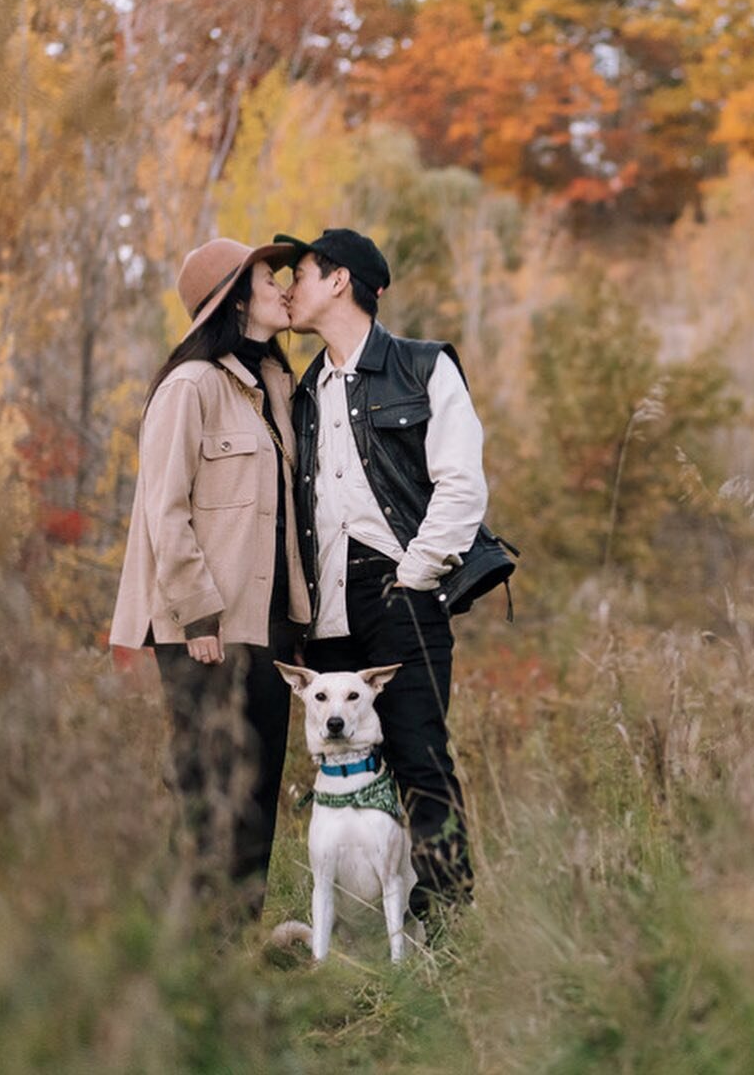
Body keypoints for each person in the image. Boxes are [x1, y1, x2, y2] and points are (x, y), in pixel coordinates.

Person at [274, 227, 488, 920]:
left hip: (400, 589)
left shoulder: (424, 367)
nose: (289, 289)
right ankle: (368, 927)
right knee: (349, 776)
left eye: (300, 274)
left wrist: (415, 575)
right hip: (328, 605)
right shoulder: (302, 394)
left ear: (339, 281)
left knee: (421, 763)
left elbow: (461, 486)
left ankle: (445, 924)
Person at [109, 237, 310, 917]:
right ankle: (191, 963)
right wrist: (198, 617)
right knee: (209, 796)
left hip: (271, 626)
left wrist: (302, 620)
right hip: (206, 630)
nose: (284, 286)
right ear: (233, 297)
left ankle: (237, 957)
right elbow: (164, 512)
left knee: (258, 797)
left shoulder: (277, 387)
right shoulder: (188, 388)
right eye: (268, 275)